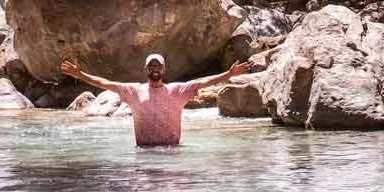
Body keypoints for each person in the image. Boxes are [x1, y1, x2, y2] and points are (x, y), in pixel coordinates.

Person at [60, 54, 251, 147]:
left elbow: (203, 82)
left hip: (172, 155)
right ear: (146, 69)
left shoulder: (177, 90)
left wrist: (228, 73)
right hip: (143, 155)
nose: (154, 68)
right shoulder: (134, 91)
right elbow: (105, 83)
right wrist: (80, 74)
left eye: (158, 65)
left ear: (164, 69)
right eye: (151, 65)